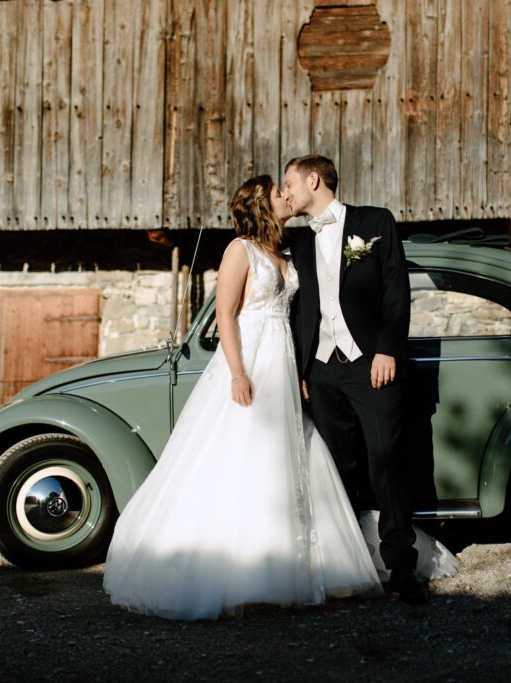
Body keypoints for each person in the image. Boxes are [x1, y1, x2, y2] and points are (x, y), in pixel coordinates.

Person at [102, 175, 384, 621]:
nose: (286, 196)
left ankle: (295, 568)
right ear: (261, 202)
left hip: (283, 359)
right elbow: (225, 316)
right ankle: (241, 577)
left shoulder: (285, 252)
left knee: (289, 455)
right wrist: (237, 373)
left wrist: (300, 374)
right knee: (244, 455)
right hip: (251, 357)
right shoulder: (241, 249)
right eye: (278, 192)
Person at [283, 154, 429, 604]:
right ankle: (349, 567)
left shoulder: (375, 221)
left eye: (290, 183)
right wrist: (302, 370)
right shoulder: (297, 241)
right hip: (322, 371)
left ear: (314, 180)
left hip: (372, 364)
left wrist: (387, 348)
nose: (287, 192)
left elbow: (395, 290)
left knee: (386, 462)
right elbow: (292, 310)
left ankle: (401, 567)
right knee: (337, 468)